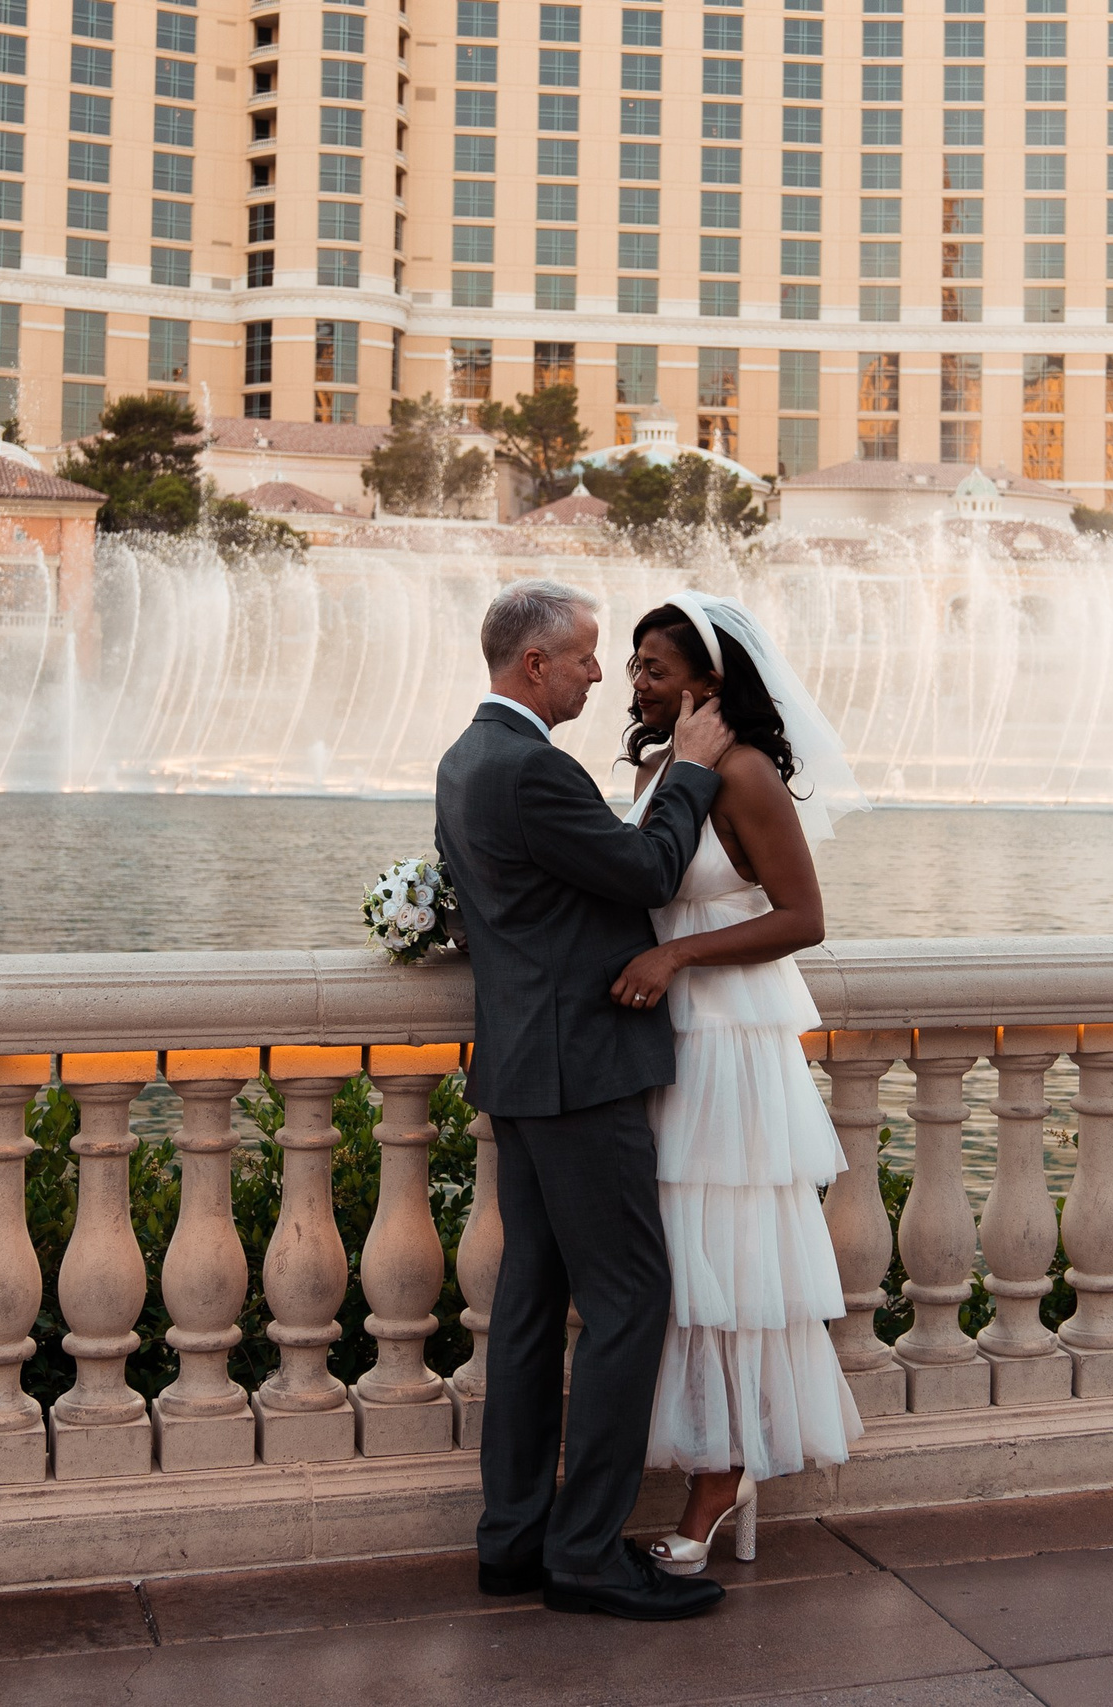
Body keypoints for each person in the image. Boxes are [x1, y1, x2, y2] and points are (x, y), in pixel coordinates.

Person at [432, 580, 735, 1622]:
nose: (601, 674)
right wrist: (688, 773)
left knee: (526, 1311)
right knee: (627, 1302)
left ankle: (512, 1541)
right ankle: (589, 1553)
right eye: (587, 656)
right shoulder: (531, 770)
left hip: (523, 1065)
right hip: (579, 1071)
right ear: (535, 667)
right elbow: (650, 868)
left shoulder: (463, 760)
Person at [610, 592, 867, 1574]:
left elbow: (803, 917)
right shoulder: (654, 766)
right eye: (633, 664)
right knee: (670, 1265)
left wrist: (676, 962)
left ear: (707, 687)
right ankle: (710, 1456)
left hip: (726, 1042)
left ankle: (721, 1477)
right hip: (658, 1039)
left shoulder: (747, 774)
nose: (634, 682)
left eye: (653, 670)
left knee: (721, 1260)